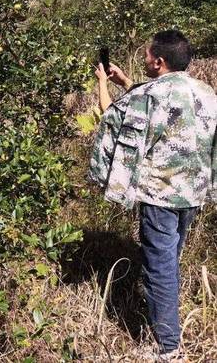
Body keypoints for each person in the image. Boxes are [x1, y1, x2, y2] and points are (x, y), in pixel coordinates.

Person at [88, 29, 217, 360]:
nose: (144, 59)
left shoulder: (149, 95)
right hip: (194, 193)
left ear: (159, 62)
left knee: (158, 266)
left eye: (147, 57)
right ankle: (170, 319)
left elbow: (113, 119)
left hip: (160, 196)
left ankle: (168, 347)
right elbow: (163, 109)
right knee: (170, 259)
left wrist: (103, 83)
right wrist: (125, 81)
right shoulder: (205, 92)